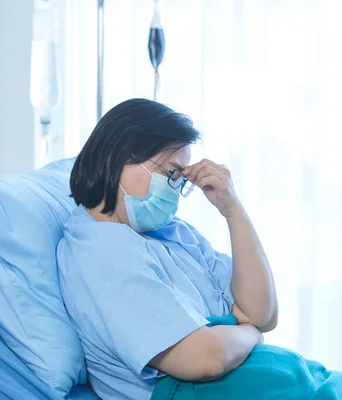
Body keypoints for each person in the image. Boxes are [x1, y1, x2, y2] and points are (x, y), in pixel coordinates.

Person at [57, 98, 279, 400]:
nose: (175, 190)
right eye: (170, 174)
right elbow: (207, 357)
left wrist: (233, 211)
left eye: (180, 179)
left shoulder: (172, 232)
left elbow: (262, 313)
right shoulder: (99, 252)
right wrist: (251, 334)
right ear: (117, 159)